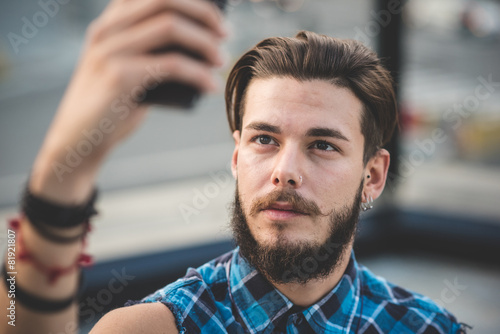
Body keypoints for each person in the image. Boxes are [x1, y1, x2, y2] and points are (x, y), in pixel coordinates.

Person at [0, 0, 467, 333]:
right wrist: (61, 175)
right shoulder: (147, 330)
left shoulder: (427, 327)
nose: (285, 171)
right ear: (236, 156)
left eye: (322, 145)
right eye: (264, 139)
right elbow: (19, 321)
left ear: (374, 176)